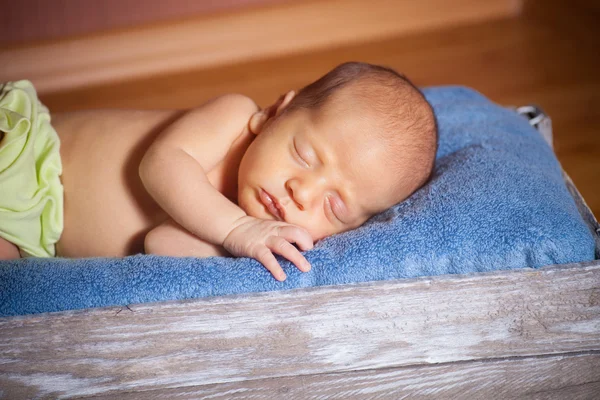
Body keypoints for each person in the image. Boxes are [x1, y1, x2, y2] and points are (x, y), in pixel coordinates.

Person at [0, 62, 437, 281]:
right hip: (27, 159)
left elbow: (159, 241)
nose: (302, 191)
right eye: (304, 154)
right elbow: (162, 164)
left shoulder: (251, 239)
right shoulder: (234, 118)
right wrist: (236, 229)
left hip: (25, 239)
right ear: (275, 114)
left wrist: (242, 240)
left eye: (335, 206)